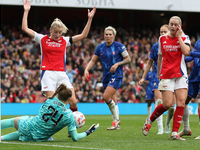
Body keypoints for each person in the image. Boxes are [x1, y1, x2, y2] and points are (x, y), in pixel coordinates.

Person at [21, 0, 96, 112]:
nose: (58, 35)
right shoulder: (42, 39)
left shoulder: (64, 41)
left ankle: (73, 126)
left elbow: (83, 35)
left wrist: (90, 19)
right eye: (56, 32)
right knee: (52, 105)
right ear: (50, 30)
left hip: (62, 74)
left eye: (60, 32)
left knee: (73, 101)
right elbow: (25, 29)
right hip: (48, 73)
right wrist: (26, 11)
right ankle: (47, 126)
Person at [142, 16, 191, 140]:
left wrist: (179, 37)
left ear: (180, 26)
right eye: (171, 24)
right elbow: (159, 57)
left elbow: (186, 52)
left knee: (180, 102)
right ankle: (150, 119)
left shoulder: (185, 38)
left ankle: (174, 133)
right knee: (167, 104)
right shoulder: (162, 38)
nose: (173, 27)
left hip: (181, 74)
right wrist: (158, 73)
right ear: (169, 25)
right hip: (167, 74)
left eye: (176, 25)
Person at [1, 83, 99, 142]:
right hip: (40, 137)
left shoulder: (50, 100)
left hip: (28, 126)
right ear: (69, 99)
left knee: (15, 121)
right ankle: (1, 138)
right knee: (25, 134)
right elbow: (75, 138)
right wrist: (88, 132)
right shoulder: (69, 115)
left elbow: (40, 113)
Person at [84, 26, 131, 130]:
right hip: (106, 76)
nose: (108, 36)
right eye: (106, 34)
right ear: (104, 35)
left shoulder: (119, 46)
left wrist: (118, 64)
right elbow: (93, 61)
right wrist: (87, 69)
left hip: (117, 75)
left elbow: (128, 59)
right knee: (113, 100)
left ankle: (116, 121)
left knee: (106, 97)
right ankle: (116, 124)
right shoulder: (100, 47)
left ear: (114, 36)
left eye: (110, 34)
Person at [139, 24, 175, 134]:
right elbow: (150, 62)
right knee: (158, 99)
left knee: (171, 106)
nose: (163, 34)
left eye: (165, 32)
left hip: (172, 76)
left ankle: (167, 123)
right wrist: (143, 77)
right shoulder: (156, 46)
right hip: (158, 76)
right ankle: (160, 128)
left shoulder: (174, 45)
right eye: (161, 32)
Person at [177, 39, 200, 139]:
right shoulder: (199, 41)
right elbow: (192, 56)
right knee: (184, 100)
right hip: (195, 74)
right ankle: (186, 128)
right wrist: (180, 60)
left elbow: (194, 54)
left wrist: (189, 52)